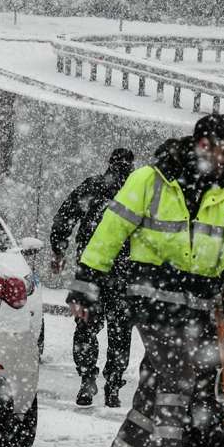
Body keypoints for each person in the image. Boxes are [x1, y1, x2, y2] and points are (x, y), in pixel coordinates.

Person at [69, 114, 224, 447]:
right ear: (201, 143)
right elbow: (111, 230)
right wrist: (87, 283)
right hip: (153, 305)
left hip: (197, 309)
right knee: (176, 386)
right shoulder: (151, 180)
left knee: (153, 400)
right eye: (221, 150)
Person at [52, 148, 136, 408]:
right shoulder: (136, 194)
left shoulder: (95, 187)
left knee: (86, 327)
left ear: (109, 164)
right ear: (131, 168)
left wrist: (58, 248)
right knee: (120, 333)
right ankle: (113, 385)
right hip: (124, 274)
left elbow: (66, 216)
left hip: (90, 271)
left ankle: (88, 378)